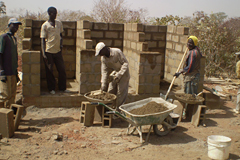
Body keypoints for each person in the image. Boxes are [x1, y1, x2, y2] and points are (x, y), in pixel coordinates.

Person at [41, 6, 68, 94]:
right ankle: (51, 88)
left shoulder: (59, 23)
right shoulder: (45, 25)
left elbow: (61, 35)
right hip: (49, 51)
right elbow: (42, 40)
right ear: (49, 14)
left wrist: (61, 45)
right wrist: (43, 53)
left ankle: (62, 88)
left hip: (58, 51)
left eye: (56, 13)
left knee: (62, 70)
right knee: (49, 71)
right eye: (54, 13)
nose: (55, 15)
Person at [95, 42, 130, 109]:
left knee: (120, 94)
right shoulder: (103, 58)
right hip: (115, 74)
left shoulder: (117, 52)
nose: (100, 54)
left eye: (100, 52)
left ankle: (118, 111)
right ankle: (111, 108)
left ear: (104, 49)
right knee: (110, 92)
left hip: (123, 74)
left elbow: (125, 63)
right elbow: (104, 71)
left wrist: (119, 75)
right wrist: (103, 85)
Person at [0, 18, 22, 108]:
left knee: (12, 95)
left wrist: (16, 73)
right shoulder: (4, 37)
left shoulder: (14, 39)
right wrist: (1, 71)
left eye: (17, 25)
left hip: (13, 72)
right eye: (14, 25)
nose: (16, 27)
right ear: (9, 25)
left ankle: (10, 118)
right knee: (4, 95)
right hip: (5, 72)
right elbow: (0, 54)